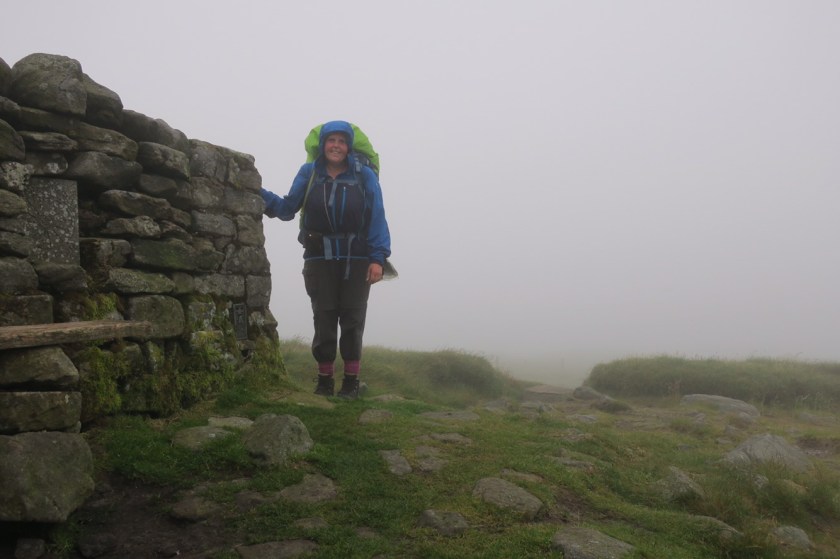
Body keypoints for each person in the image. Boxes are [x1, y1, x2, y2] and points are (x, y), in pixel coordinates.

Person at [261, 120, 391, 399]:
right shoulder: (309, 173)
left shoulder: (365, 175)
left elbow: (377, 216)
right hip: (319, 256)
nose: (336, 146)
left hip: (357, 257)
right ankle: (324, 382)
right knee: (324, 316)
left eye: (342, 141)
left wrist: (378, 258)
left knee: (353, 318)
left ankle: (351, 383)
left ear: (349, 147)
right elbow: (287, 208)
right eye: (331, 140)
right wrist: (255, 191)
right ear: (322, 145)